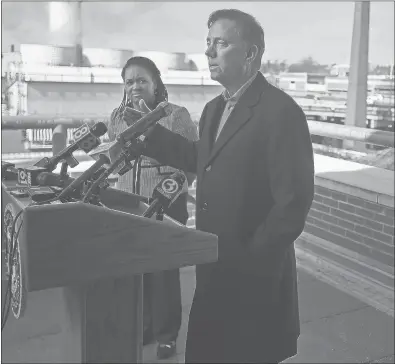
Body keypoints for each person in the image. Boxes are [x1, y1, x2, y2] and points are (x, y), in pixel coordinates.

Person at [124, 9, 315, 363]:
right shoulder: (214, 109)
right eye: (208, 43)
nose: (209, 53)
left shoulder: (281, 112)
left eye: (221, 43)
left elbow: (293, 204)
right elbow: (202, 157)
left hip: (252, 276)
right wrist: (147, 133)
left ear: (250, 53)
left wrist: (249, 258)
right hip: (213, 267)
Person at [107, 56, 198, 360]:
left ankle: (166, 335)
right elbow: (116, 163)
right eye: (129, 81)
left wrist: (172, 191)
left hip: (166, 204)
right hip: (127, 204)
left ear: (156, 83)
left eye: (142, 80)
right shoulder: (116, 117)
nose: (135, 86)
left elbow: (192, 164)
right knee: (137, 271)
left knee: (163, 273)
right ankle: (144, 326)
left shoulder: (176, 116)